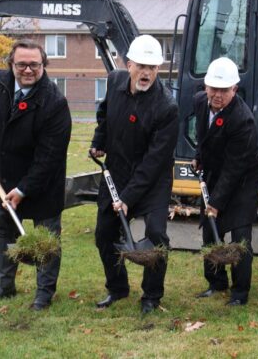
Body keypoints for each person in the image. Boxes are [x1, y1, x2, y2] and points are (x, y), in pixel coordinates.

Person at [0, 39, 72, 311]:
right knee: (5, 232)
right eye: (21, 64)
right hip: (4, 178)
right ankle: (5, 286)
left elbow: (49, 157)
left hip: (42, 184)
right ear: (11, 64)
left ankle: (44, 294)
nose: (28, 70)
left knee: (46, 240)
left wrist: (24, 189)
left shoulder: (54, 103)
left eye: (34, 65)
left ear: (44, 65)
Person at [89, 34, 179, 315]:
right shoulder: (115, 81)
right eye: (141, 66)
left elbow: (154, 161)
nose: (147, 73)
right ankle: (117, 288)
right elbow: (104, 113)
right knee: (104, 233)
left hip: (152, 181)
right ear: (128, 65)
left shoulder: (166, 107)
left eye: (153, 68)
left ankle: (152, 295)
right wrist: (99, 140)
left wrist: (128, 198)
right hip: (117, 172)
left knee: (155, 235)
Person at [192, 57, 258, 306]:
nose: (217, 95)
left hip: (243, 179)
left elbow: (234, 168)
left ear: (235, 89)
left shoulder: (243, 120)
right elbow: (203, 136)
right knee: (210, 230)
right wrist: (199, 156)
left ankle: (239, 293)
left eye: (224, 90)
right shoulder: (201, 102)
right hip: (215, 172)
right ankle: (216, 282)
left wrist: (217, 202)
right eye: (213, 89)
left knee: (240, 236)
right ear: (206, 88)